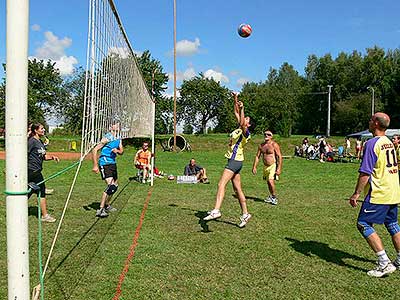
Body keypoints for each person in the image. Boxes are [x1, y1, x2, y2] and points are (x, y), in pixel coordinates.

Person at [349, 112, 400, 277]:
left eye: (371, 119)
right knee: (392, 224)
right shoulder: (389, 142)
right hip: (393, 191)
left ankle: (384, 262)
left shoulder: (372, 143)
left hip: (380, 192)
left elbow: (365, 172)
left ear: (376, 123)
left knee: (363, 223)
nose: (369, 121)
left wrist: (356, 193)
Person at [203, 92, 252, 228]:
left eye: (247, 119)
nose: (244, 119)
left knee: (221, 184)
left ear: (248, 124)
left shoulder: (245, 132)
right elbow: (235, 112)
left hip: (234, 161)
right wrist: (235, 98)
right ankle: (245, 213)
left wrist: (243, 109)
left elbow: (241, 121)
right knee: (237, 190)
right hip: (237, 162)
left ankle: (216, 210)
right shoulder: (239, 128)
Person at [28, 123, 60, 223]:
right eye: (41, 129)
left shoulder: (39, 142)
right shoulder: (31, 141)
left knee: (29, 192)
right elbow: (23, 154)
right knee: (40, 191)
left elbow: (44, 156)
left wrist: (52, 157)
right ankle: (45, 215)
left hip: (36, 171)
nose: (44, 130)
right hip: (30, 170)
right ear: (35, 130)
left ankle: (16, 210)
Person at [92, 123, 123, 218]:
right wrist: (95, 165)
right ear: (111, 127)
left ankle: (107, 205)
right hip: (105, 163)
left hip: (113, 163)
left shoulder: (119, 138)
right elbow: (95, 150)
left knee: (115, 186)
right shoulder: (106, 138)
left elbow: (121, 151)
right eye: (116, 125)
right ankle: (100, 209)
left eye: (119, 125)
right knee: (111, 186)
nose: (118, 126)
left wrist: (117, 151)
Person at [252, 130, 282, 205]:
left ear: (271, 136)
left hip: (272, 165)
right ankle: (271, 196)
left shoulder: (274, 145)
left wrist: (279, 168)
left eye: (268, 134)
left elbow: (279, 156)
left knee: (270, 181)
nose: (266, 136)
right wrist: (254, 167)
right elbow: (257, 156)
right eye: (265, 134)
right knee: (268, 182)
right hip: (265, 166)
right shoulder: (261, 145)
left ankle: (274, 198)